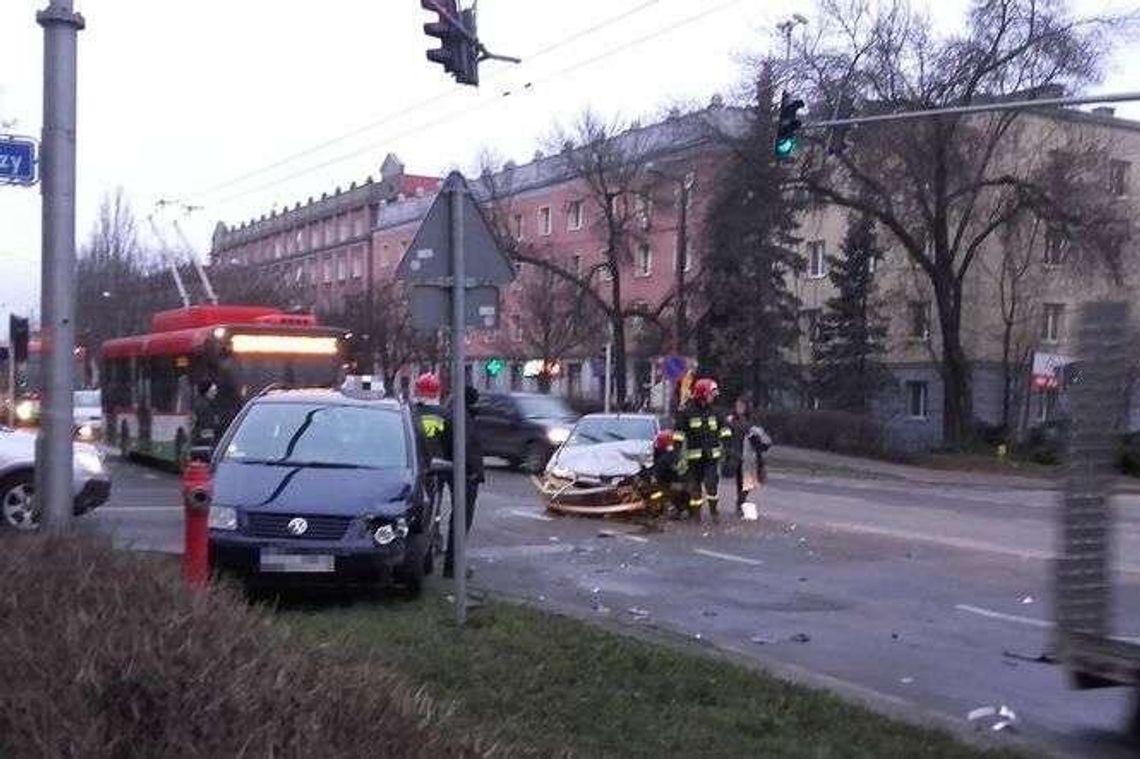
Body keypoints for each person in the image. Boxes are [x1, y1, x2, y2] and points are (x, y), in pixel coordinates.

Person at [674, 378, 732, 523]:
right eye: (711, 394)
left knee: (711, 484)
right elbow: (679, 434)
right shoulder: (687, 412)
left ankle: (714, 512)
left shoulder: (716, 412)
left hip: (711, 458)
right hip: (693, 460)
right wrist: (676, 451)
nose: (713, 397)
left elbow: (724, 430)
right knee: (695, 488)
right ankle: (696, 514)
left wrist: (727, 446)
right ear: (702, 394)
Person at [442, 385, 484, 579]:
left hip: (458, 471)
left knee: (459, 519)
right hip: (464, 474)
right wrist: (472, 472)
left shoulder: (453, 413)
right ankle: (453, 565)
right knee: (461, 519)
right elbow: (465, 447)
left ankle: (452, 563)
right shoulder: (462, 418)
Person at [647, 429, 687, 519]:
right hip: (680, 483)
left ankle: (663, 508)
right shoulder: (678, 454)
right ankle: (679, 508)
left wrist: (653, 476)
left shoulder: (665, 457)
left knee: (655, 492)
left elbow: (658, 472)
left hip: (670, 484)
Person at [725, 396, 753, 515]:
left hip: (746, 454)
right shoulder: (731, 419)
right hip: (735, 453)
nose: (739, 408)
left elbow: (751, 432)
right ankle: (740, 505)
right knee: (740, 481)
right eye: (737, 406)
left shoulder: (748, 420)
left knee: (746, 483)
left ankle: (740, 503)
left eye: (741, 406)